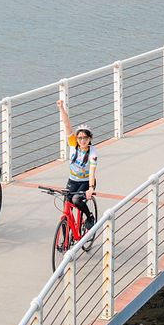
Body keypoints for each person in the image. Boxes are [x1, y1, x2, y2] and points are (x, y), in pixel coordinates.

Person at [56, 99, 98, 232]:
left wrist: (91, 188)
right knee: (66, 209)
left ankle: (89, 217)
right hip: (72, 181)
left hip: (85, 182)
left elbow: (92, 172)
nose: (82, 140)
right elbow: (67, 126)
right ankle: (65, 241)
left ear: (89, 139)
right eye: (80, 138)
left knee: (76, 200)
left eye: (85, 138)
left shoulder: (92, 152)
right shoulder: (73, 145)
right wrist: (61, 108)